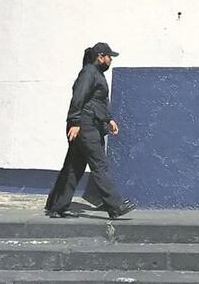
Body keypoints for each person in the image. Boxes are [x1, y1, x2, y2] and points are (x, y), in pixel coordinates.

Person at [44, 42, 137, 219]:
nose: (111, 60)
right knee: (99, 165)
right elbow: (79, 96)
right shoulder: (89, 73)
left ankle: (57, 206)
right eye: (109, 57)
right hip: (85, 126)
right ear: (100, 57)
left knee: (74, 167)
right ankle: (115, 205)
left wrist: (108, 119)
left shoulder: (96, 74)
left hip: (88, 124)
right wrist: (75, 121)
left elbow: (96, 101)